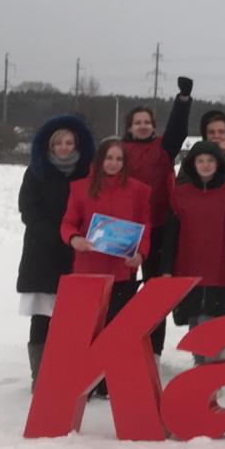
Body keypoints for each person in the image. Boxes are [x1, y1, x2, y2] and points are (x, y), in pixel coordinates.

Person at [60, 137, 152, 398]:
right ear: (99, 161)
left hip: (122, 271)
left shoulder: (140, 190)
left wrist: (141, 254)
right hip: (89, 270)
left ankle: (108, 381)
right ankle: (83, 381)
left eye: (119, 159)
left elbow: (145, 227)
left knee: (115, 329)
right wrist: (74, 239)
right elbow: (67, 223)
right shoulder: (80, 188)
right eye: (109, 158)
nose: (113, 164)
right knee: (87, 329)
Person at [16, 114, 96, 387]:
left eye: (69, 142)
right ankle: (41, 376)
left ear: (77, 145)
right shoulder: (36, 172)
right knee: (43, 316)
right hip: (43, 253)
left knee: (75, 316)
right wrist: (58, 235)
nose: (64, 147)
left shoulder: (88, 173)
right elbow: (29, 211)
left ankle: (73, 374)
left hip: (78, 252)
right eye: (58, 143)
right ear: (50, 146)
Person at [121, 76, 193, 358]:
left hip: (159, 227)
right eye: (137, 122)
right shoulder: (118, 152)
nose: (143, 126)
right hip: (125, 231)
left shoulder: (164, 149)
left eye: (147, 122)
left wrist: (183, 100)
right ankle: (120, 344)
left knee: (154, 292)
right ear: (129, 127)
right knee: (122, 291)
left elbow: (177, 130)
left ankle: (153, 349)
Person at [161, 141, 225, 364]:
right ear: (192, 164)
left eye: (210, 160)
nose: (206, 165)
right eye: (201, 160)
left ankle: (211, 368)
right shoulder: (179, 195)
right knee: (194, 320)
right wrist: (167, 268)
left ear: (219, 164)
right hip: (188, 267)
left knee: (211, 320)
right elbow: (171, 235)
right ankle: (200, 365)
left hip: (221, 269)